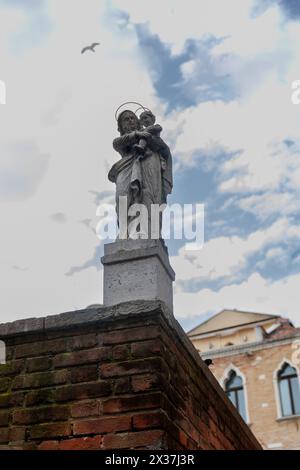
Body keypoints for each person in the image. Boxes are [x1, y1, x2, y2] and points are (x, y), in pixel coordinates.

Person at [108, 109, 173, 238]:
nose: (130, 120)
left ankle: (148, 234)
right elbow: (118, 143)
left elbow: (164, 149)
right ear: (121, 126)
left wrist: (150, 139)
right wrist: (138, 135)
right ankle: (125, 235)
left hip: (148, 164)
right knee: (122, 198)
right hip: (126, 167)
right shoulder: (123, 140)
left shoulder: (150, 133)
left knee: (149, 196)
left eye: (132, 118)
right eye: (126, 119)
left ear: (138, 122)